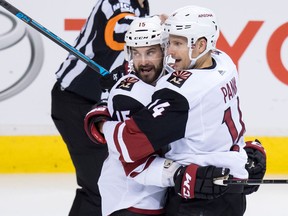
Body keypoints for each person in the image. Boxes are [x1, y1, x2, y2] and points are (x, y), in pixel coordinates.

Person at [89, 5, 266, 216]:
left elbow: (128, 144)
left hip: (198, 194)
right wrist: (245, 151)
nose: (171, 51)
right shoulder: (223, 62)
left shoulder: (178, 94)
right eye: (169, 42)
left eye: (177, 43)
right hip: (228, 185)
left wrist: (102, 124)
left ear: (201, 45)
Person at [51, 1, 149, 215]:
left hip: (98, 104)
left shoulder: (142, 6)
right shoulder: (116, 2)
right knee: (98, 188)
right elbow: (118, 31)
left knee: (107, 185)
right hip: (76, 100)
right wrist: (158, 26)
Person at [85, 15, 168, 216]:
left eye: (150, 52)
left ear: (164, 50)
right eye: (137, 54)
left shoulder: (171, 77)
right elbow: (135, 157)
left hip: (156, 194)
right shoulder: (126, 95)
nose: (143, 62)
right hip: (130, 198)